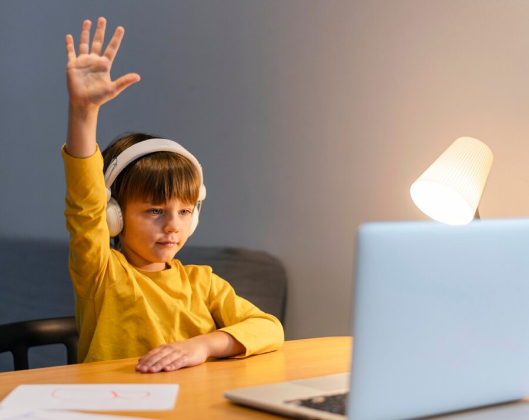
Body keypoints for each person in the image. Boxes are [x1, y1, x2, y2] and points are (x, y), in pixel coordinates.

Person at [63, 17, 284, 373]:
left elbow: (269, 328)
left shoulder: (203, 283)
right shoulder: (101, 272)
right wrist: (83, 113)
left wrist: (203, 345)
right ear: (113, 214)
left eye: (184, 212)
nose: (172, 226)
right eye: (154, 211)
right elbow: (84, 205)